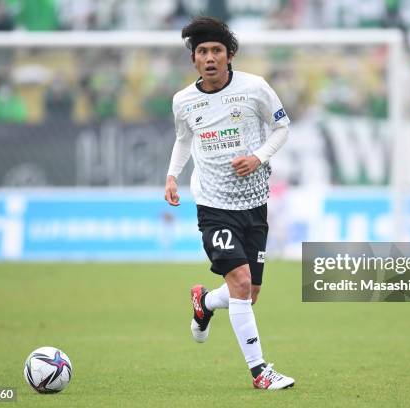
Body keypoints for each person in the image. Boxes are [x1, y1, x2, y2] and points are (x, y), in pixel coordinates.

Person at [164, 16, 294, 390]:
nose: (209, 58)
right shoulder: (183, 101)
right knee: (239, 280)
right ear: (194, 60)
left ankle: (204, 303)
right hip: (213, 205)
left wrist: (258, 157)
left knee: (248, 294)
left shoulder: (255, 88)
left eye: (216, 51)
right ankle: (260, 372)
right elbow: (184, 139)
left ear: (230, 55)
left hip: (254, 203)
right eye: (202, 51)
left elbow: (282, 127)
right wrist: (172, 175)